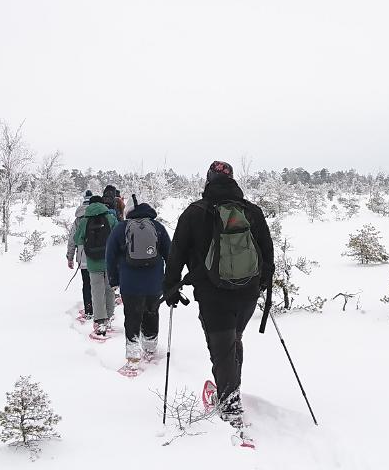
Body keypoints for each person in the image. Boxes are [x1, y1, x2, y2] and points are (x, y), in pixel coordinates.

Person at [163, 161, 274, 425]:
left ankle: (230, 405)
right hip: (247, 293)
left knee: (222, 348)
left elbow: (176, 253)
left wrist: (170, 287)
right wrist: (262, 283)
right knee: (234, 340)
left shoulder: (194, 213)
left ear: (208, 180)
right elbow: (267, 251)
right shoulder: (252, 212)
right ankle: (231, 391)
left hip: (212, 295)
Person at [104, 202, 170, 370]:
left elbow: (110, 255)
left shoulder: (121, 228)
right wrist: (169, 280)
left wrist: (113, 280)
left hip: (130, 284)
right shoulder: (158, 227)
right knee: (151, 314)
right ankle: (150, 349)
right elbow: (170, 253)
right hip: (154, 283)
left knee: (132, 318)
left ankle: (133, 358)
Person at [70, 193, 120, 339]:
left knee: (97, 291)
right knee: (110, 289)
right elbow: (118, 236)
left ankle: (100, 322)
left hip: (93, 261)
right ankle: (109, 318)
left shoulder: (85, 220)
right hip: (109, 260)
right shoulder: (110, 217)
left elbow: (77, 238)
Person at [65, 192, 96, 323]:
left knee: (87, 284)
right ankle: (100, 310)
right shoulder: (100, 215)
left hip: (84, 257)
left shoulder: (79, 219)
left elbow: (73, 239)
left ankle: (89, 310)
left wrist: (70, 257)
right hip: (100, 257)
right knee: (98, 284)